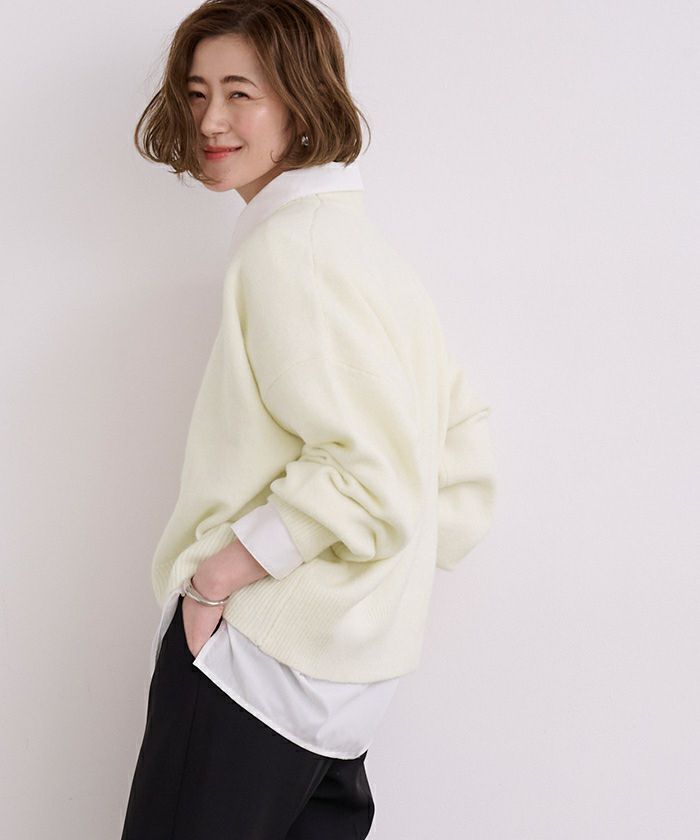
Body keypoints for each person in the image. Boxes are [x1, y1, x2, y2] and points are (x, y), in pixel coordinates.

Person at [120, 1, 498, 838]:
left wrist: (215, 581)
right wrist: (371, 597)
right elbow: (459, 453)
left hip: (252, 671)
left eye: (240, 93)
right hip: (347, 692)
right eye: (196, 93)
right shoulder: (367, 253)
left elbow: (366, 472)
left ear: (301, 101)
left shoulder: (291, 251)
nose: (209, 121)